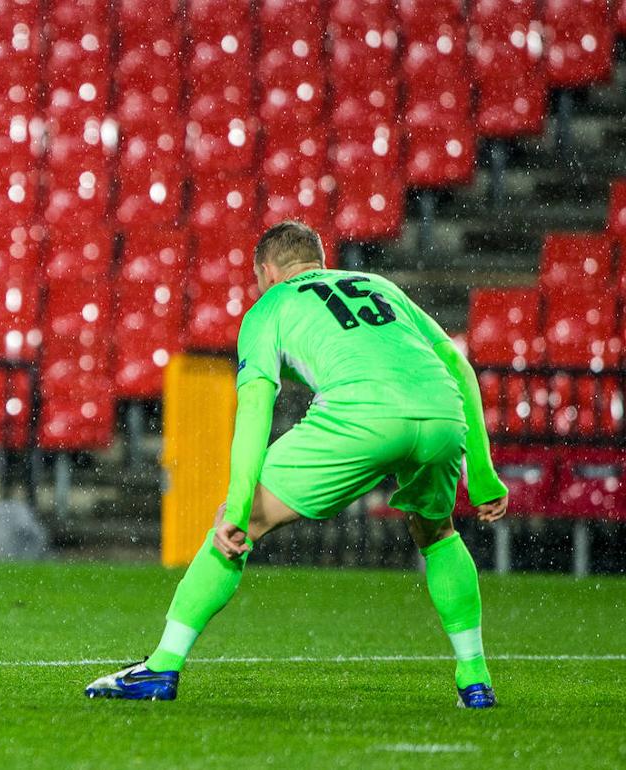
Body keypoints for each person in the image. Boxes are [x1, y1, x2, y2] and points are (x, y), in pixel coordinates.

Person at [85, 221, 509, 707]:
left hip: (362, 417)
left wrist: (241, 504)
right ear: (319, 262)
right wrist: (482, 470)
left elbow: (254, 412)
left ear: (266, 273)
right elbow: (458, 366)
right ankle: (475, 680)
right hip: (440, 414)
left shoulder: (269, 308)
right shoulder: (378, 286)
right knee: (436, 533)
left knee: (237, 529)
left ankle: (161, 669)